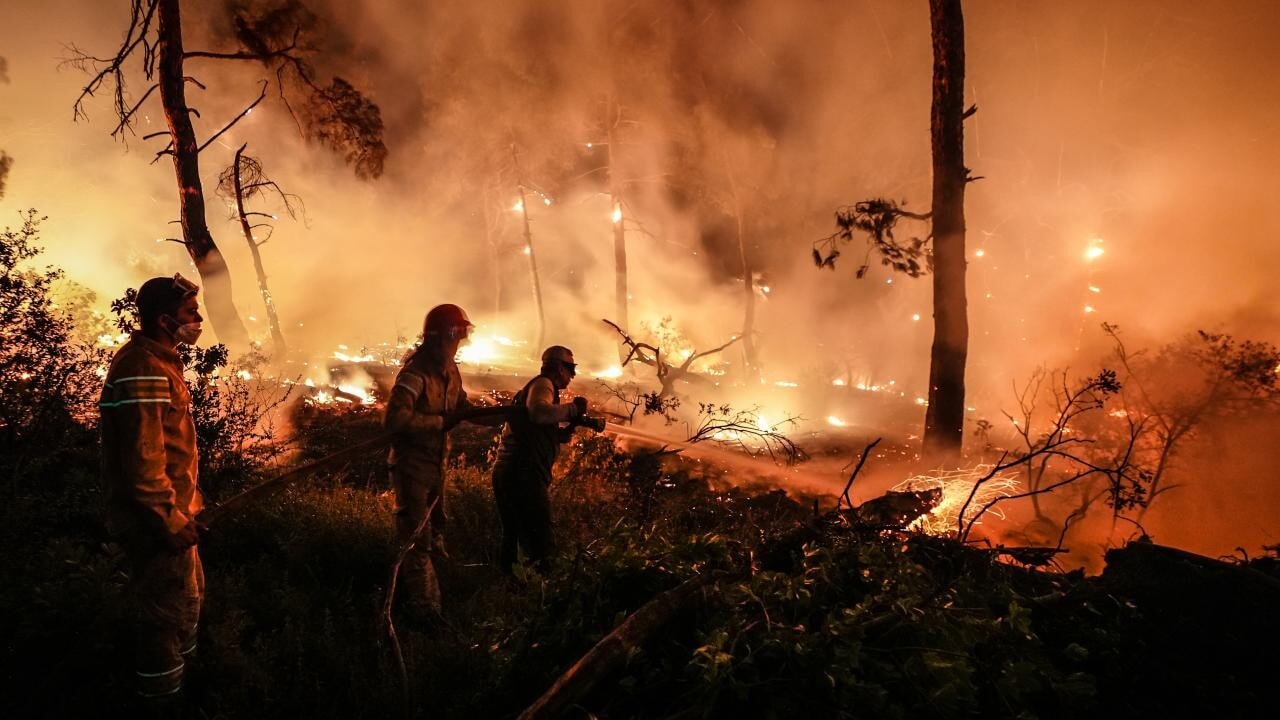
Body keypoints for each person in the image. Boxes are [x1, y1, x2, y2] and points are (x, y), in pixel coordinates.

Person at [100, 273, 206, 710]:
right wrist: (169, 520)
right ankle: (162, 703)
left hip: (177, 516)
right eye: (189, 313)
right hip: (158, 524)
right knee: (163, 619)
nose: (198, 319)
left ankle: (188, 690)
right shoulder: (143, 369)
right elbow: (144, 464)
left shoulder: (160, 362)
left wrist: (188, 508)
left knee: (185, 607)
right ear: (165, 320)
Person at [383, 303, 489, 614]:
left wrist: (506, 413)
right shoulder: (415, 375)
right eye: (456, 338)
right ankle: (425, 612)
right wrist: (438, 423)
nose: (458, 345)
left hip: (436, 465)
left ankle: (438, 587)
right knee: (417, 538)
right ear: (442, 337)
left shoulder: (451, 373)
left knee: (436, 527)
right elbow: (394, 420)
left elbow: (462, 408)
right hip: (411, 467)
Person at [490, 345, 590, 574]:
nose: (572, 375)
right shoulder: (544, 384)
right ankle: (540, 593)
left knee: (515, 536)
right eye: (570, 368)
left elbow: (547, 432)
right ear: (557, 367)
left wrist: (571, 425)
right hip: (522, 474)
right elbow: (539, 413)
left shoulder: (543, 388)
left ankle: (512, 589)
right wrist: (572, 409)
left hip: (515, 472)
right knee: (540, 540)